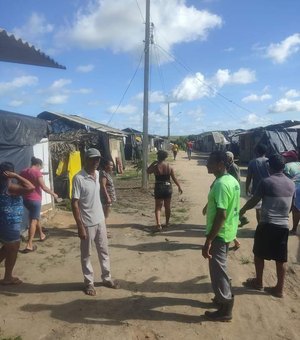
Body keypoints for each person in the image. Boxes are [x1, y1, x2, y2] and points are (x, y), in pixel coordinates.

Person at [240, 154, 295, 298]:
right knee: (280, 258)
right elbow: (290, 206)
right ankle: (279, 289)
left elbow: (254, 201)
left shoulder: (266, 182)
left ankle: (258, 282)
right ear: (283, 167)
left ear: (270, 167)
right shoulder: (291, 184)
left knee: (259, 254)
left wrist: (242, 210)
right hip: (283, 226)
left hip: (267, 224)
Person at [71, 148, 118, 296]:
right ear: (86, 159)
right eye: (93, 159)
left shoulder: (97, 174)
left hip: (100, 220)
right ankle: (89, 283)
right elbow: (74, 203)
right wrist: (80, 226)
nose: (96, 161)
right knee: (86, 255)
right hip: (87, 222)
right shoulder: (78, 178)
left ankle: (106, 277)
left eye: (98, 159)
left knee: (104, 250)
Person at [202, 151, 240, 321]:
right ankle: (221, 298)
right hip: (227, 231)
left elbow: (222, 214)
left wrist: (208, 240)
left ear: (220, 164)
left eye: (209, 162)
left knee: (218, 271)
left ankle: (225, 308)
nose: (206, 164)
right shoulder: (231, 180)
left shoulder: (221, 184)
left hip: (219, 234)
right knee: (221, 268)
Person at [0, 162, 35, 285]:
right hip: (9, 223)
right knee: (13, 248)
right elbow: (31, 187)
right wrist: (17, 176)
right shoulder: (9, 187)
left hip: (6, 222)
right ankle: (8, 277)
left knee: (7, 248)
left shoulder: (4, 185)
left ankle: (8, 276)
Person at [20, 157, 58, 253]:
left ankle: (41, 235)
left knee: (36, 217)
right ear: (38, 165)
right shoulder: (37, 172)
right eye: (41, 167)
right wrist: (53, 194)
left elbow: (21, 184)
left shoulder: (23, 172)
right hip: (35, 199)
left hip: (26, 199)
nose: (41, 169)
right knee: (33, 220)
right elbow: (43, 187)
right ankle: (29, 244)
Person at [147, 150, 183, 231]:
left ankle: (159, 224)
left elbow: (147, 171)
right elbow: (174, 178)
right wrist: (179, 186)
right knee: (167, 207)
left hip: (159, 187)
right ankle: (167, 223)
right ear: (165, 157)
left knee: (158, 207)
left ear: (158, 157)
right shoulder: (169, 167)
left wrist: (153, 163)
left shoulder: (156, 167)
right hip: (168, 188)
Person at [245, 144, 269, 223]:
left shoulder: (252, 162)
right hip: (270, 188)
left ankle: (260, 226)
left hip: (257, 189)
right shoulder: (269, 161)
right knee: (268, 209)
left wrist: (247, 188)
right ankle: (267, 226)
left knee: (258, 209)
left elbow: (249, 177)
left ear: (256, 152)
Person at [281, 150, 300, 235]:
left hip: (295, 188)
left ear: (291, 158)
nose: (284, 158)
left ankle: (294, 229)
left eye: (286, 157)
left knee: (294, 209)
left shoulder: (287, 166)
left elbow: (283, 178)